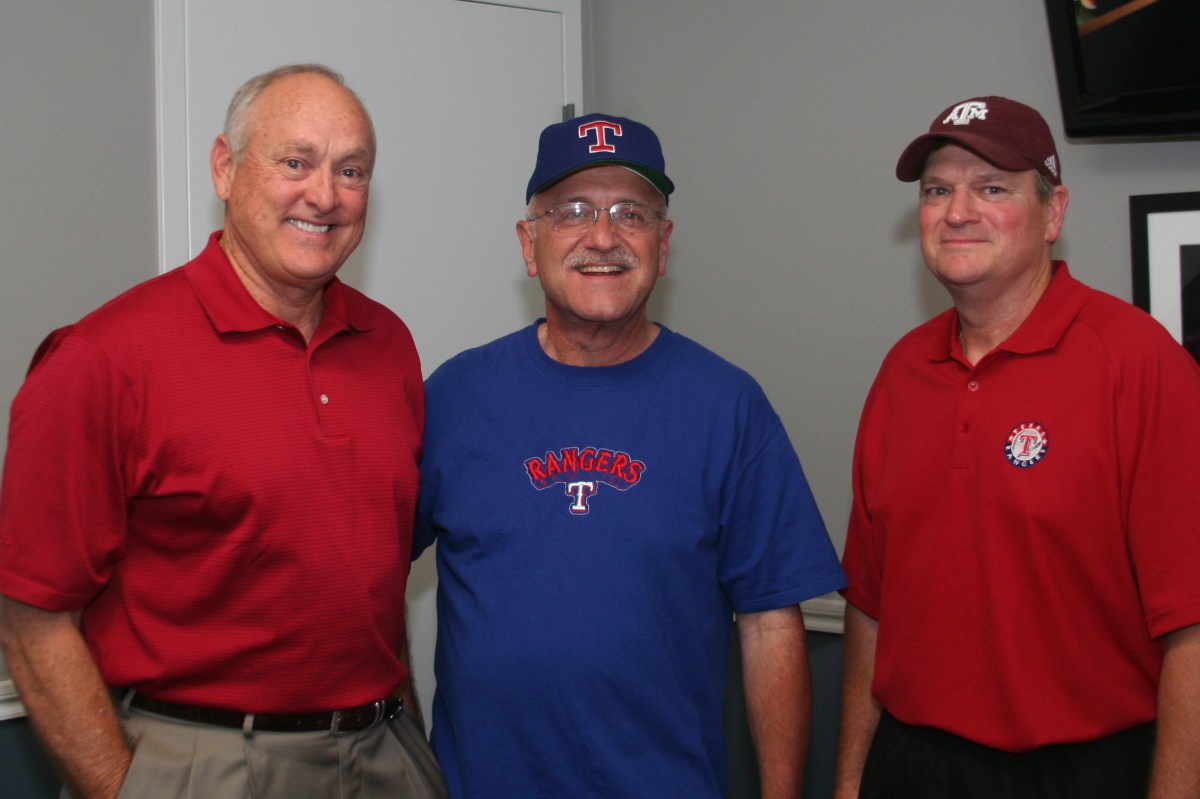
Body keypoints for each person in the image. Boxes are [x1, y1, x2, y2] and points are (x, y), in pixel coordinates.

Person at [0, 64, 444, 799]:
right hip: (206, 760)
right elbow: (32, 618)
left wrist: (410, 746)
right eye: (294, 162)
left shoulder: (388, 343)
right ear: (225, 168)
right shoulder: (105, 359)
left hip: (382, 750)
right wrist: (123, 788)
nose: (325, 195)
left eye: (351, 170)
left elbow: (369, 575)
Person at [413, 112, 846, 798]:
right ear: (530, 243)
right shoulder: (456, 395)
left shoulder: (727, 406)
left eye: (631, 213)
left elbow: (770, 624)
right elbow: (366, 577)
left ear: (664, 243)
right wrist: (402, 747)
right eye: (573, 211)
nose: (603, 236)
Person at [835, 96, 1200, 799]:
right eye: (938, 190)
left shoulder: (1138, 362)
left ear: (1053, 212)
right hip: (912, 764)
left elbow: (1193, 627)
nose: (958, 210)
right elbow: (869, 606)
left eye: (992, 187)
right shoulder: (902, 372)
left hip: (1084, 770)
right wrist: (850, 781)